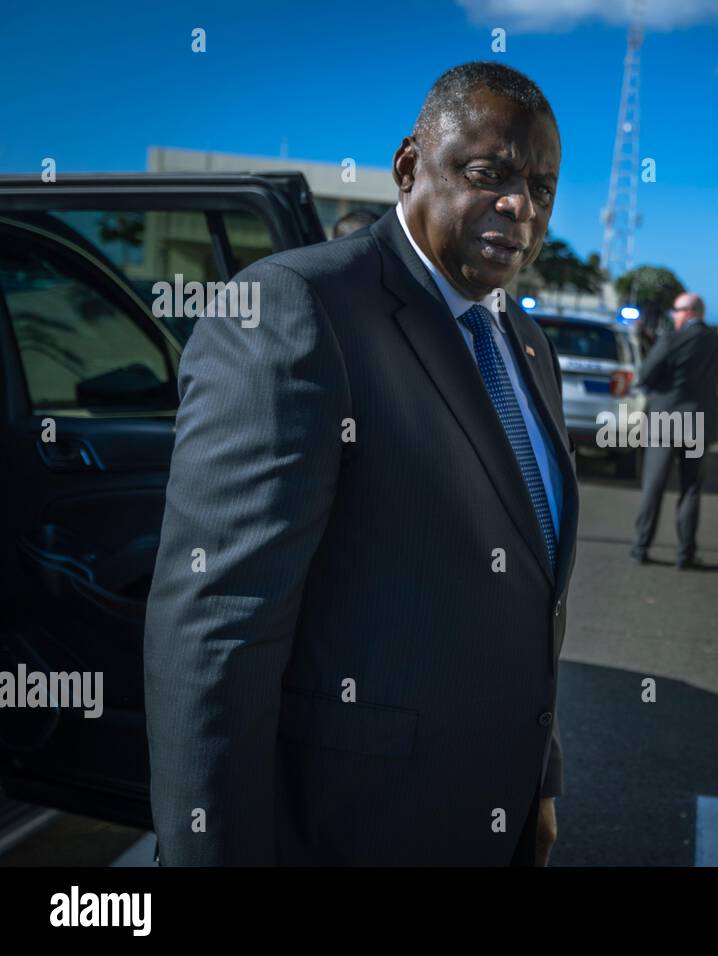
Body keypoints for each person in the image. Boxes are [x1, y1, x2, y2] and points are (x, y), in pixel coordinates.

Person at [143, 62, 577, 866]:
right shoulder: (295, 310)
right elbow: (219, 622)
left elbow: (529, 594)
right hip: (345, 829)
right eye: (489, 174)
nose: (520, 206)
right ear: (410, 167)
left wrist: (537, 785)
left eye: (542, 188)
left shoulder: (526, 344)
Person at [629, 293, 718, 569]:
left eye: (676, 310)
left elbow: (645, 375)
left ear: (689, 312)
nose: (674, 316)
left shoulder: (669, 340)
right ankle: (685, 554)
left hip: (665, 422)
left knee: (652, 487)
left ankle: (640, 547)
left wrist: (661, 392)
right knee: (691, 491)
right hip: (699, 424)